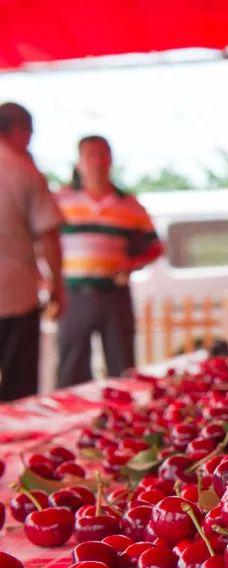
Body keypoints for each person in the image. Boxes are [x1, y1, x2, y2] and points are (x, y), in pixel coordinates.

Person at [53, 135, 162, 388]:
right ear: (79, 162)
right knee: (71, 367)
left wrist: (132, 265)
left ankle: (121, 419)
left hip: (115, 294)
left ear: (111, 160)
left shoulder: (131, 205)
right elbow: (42, 242)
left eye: (103, 155)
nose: (97, 162)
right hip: (73, 294)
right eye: (90, 155)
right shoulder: (60, 201)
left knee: (121, 364)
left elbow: (155, 246)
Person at [0, 102, 64, 401]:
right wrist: (57, 286)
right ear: (18, 130)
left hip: (15, 293)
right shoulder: (23, 171)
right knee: (18, 390)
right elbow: (48, 235)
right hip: (15, 297)